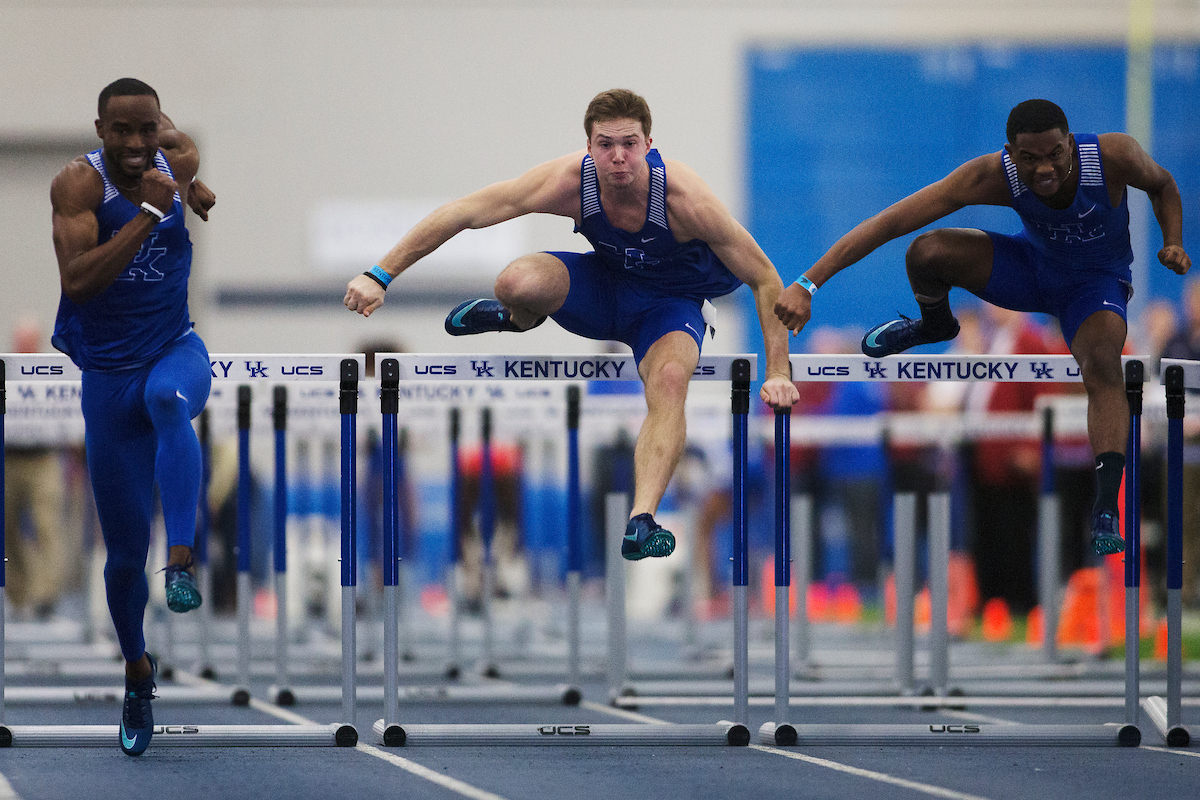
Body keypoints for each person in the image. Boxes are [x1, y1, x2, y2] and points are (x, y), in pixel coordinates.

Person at [345, 88, 799, 560]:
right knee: (515, 280)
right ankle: (515, 317)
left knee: (669, 380)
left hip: (670, 305)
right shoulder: (569, 181)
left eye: (629, 144)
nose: (618, 157)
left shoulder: (686, 200)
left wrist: (777, 371)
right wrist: (380, 274)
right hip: (606, 288)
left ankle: (642, 519)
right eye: (606, 145)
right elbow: (465, 211)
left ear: (649, 145)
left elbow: (766, 279)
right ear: (589, 147)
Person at [775, 98, 1191, 558]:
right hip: (1031, 272)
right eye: (1029, 159)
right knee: (927, 251)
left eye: (1055, 154)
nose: (1044, 170)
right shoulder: (993, 175)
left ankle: (1106, 506)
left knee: (1103, 365)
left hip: (1094, 286)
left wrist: (1172, 240)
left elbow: (1163, 184)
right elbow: (889, 222)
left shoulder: (1113, 156)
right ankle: (935, 324)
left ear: (1071, 144)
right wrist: (808, 283)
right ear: (1010, 155)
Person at [50, 78, 216, 756]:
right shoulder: (77, 186)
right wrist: (150, 213)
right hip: (107, 376)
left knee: (168, 401)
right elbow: (79, 282)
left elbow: (175, 150)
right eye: (121, 131)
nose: (136, 143)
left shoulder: (178, 158)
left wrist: (188, 189)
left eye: (147, 130)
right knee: (122, 558)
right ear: (100, 130)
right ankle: (137, 669)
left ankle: (181, 562)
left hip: (175, 350)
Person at [4, 317, 67, 621]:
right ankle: (18, 594)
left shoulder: (53, 373)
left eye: (30, 342)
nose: (26, 347)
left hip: (44, 459)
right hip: (10, 459)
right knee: (7, 528)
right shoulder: (6, 371)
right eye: (22, 342)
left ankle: (45, 595)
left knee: (47, 526)